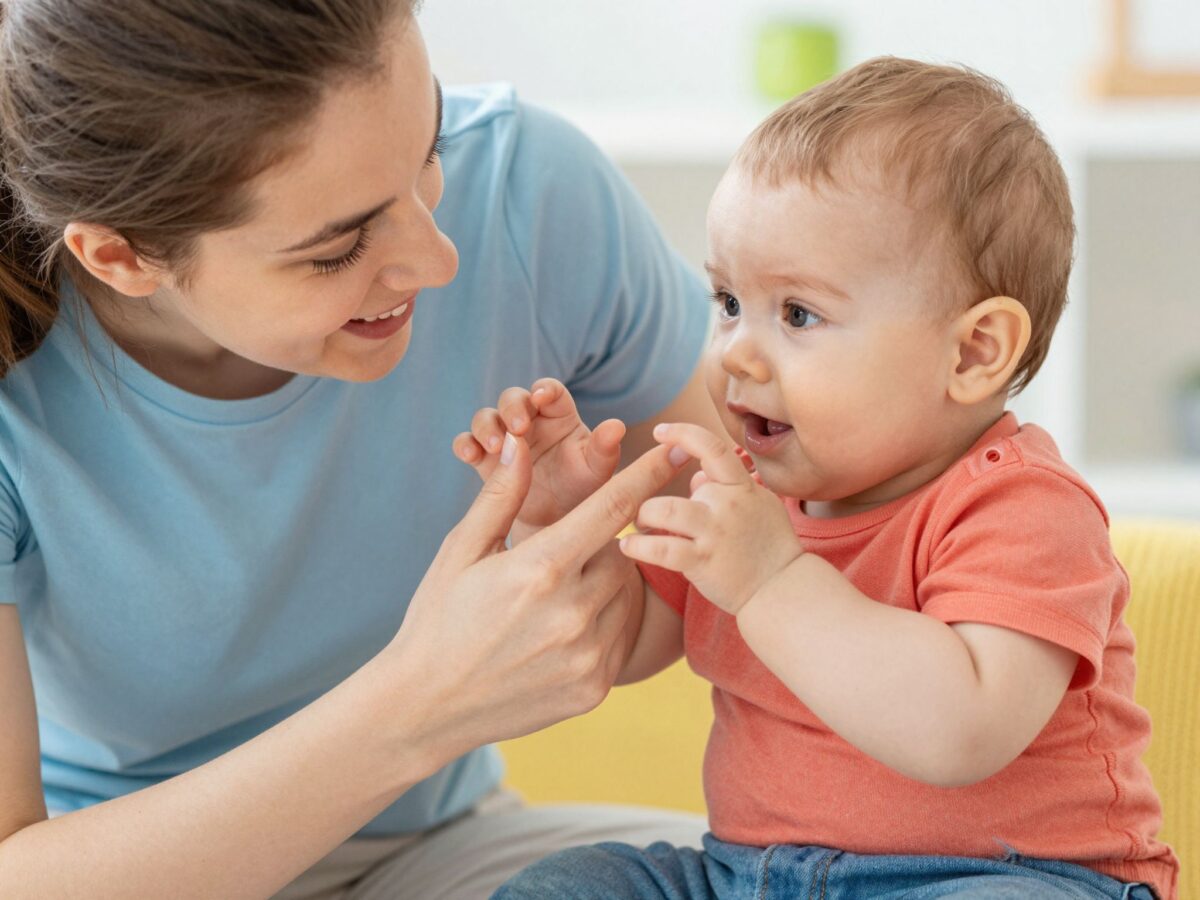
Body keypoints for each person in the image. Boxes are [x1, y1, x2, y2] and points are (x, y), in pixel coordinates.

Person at [0, 1, 724, 896]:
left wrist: (582, 570)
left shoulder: (532, 191)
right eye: (338, 248)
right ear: (121, 256)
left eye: (430, 154)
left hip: (439, 851)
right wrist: (420, 706)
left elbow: (747, 560)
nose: (439, 259)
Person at [470, 58, 1180, 899]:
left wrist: (773, 580)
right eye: (728, 301)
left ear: (973, 351)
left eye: (797, 314)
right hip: (748, 877)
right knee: (572, 884)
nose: (734, 350)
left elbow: (959, 732)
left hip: (1002, 877)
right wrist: (559, 522)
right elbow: (622, 647)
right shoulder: (743, 494)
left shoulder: (1023, 508)